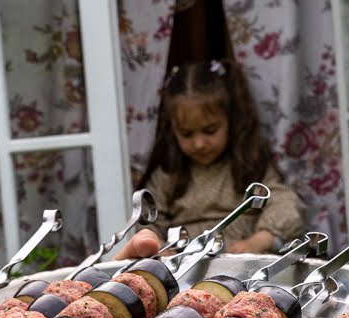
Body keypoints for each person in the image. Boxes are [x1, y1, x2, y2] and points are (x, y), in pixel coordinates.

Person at [116, 59, 305, 259]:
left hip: (244, 266)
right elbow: (148, 221)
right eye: (187, 134)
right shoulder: (169, 173)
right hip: (186, 271)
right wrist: (159, 246)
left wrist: (260, 240)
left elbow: (284, 202)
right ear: (173, 131)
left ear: (231, 121)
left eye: (210, 130)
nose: (199, 143)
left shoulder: (249, 164)